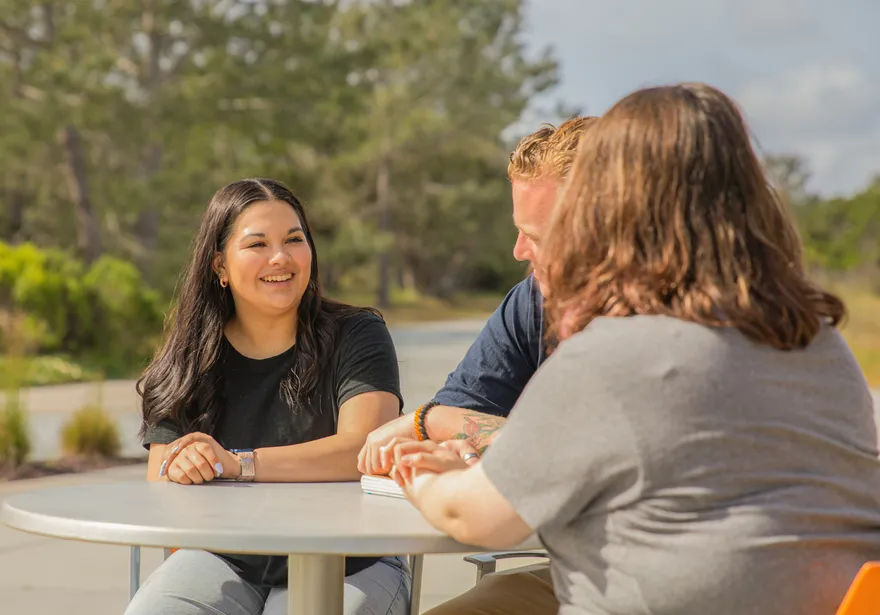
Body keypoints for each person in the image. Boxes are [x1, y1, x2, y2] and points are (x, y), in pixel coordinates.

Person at [391, 82, 880, 615]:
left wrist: (424, 474)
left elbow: (475, 518)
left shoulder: (614, 357)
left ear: (615, 212)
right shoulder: (817, 340)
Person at [126, 178, 411, 615]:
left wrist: (236, 463)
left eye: (294, 239)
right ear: (219, 265)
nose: (281, 257)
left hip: (349, 560)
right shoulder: (186, 356)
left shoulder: (358, 334)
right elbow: (163, 489)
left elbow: (363, 448)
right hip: (224, 559)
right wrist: (182, 466)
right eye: (257, 243)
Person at [359, 116, 597, 615]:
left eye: (536, 235)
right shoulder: (534, 299)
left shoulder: (657, 332)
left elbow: (502, 505)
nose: (518, 251)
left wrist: (428, 428)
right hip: (584, 569)